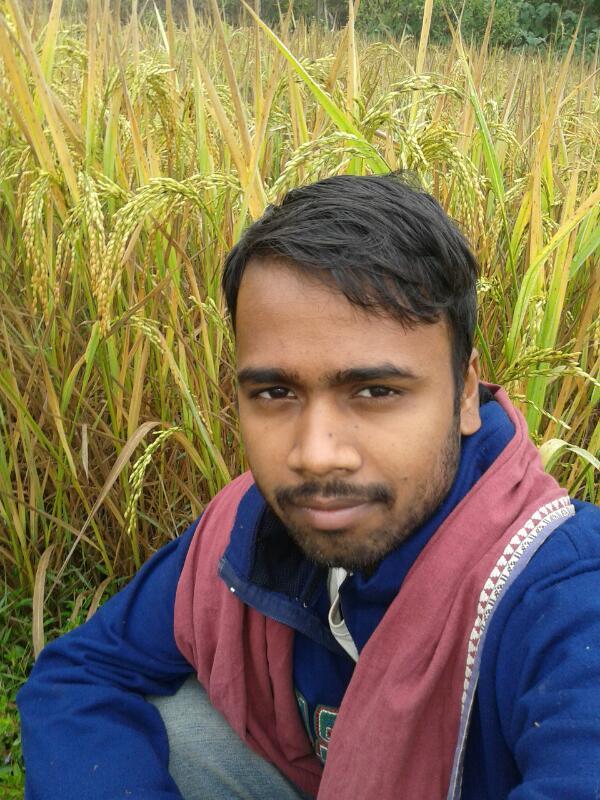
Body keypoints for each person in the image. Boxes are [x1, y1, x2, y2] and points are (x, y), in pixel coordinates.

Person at [18, 174, 600, 800]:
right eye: (275, 392)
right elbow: (81, 674)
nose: (316, 455)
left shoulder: (562, 593)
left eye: (375, 391)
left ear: (464, 392)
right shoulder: (250, 528)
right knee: (172, 722)